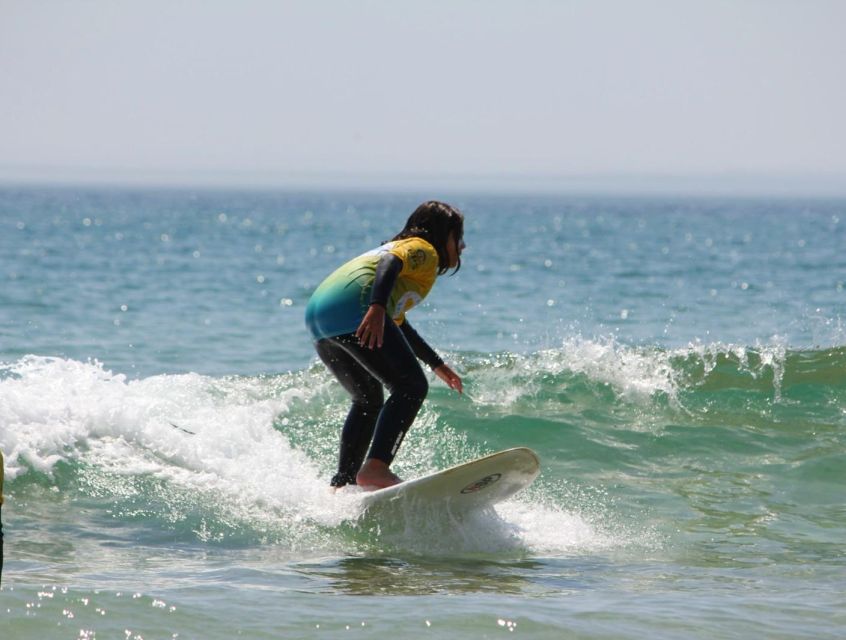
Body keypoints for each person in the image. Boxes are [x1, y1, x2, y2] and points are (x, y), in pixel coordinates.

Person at [305, 201, 466, 490]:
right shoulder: (423, 249)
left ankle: (344, 483)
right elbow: (390, 263)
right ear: (443, 235)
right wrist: (376, 306)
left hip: (322, 318)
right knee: (411, 387)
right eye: (458, 237)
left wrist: (436, 363)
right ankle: (376, 468)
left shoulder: (403, 254)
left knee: (368, 399)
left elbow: (398, 323)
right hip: (356, 308)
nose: (462, 246)